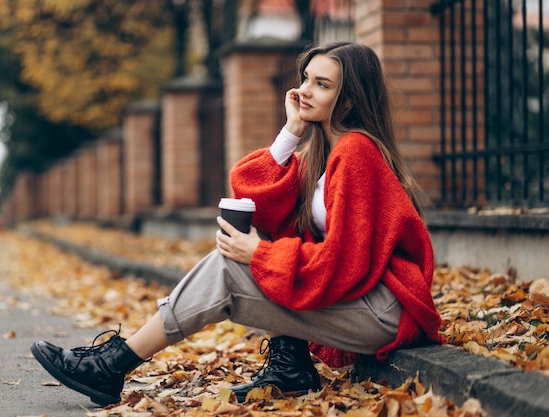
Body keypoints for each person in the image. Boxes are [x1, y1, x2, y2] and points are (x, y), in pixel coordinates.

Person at [30, 41, 443, 406]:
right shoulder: (321, 155)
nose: (303, 90)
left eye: (322, 84)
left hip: (382, 312)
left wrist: (258, 255)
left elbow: (343, 263)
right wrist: (291, 131)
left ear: (348, 101)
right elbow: (252, 193)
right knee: (269, 229)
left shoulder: (356, 154)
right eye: (305, 79)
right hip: (359, 300)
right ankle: (289, 365)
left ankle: (115, 362)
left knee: (233, 265)